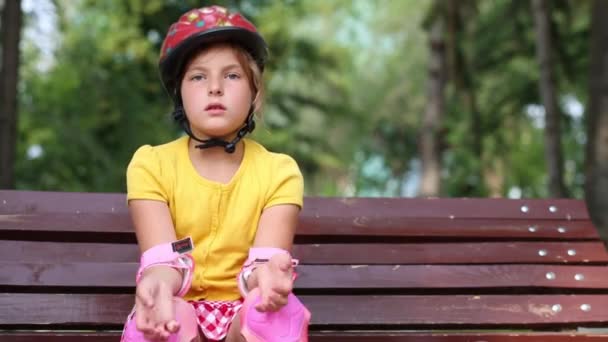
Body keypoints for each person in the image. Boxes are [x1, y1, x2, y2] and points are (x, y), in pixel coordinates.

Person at [120, 5, 310, 342]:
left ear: (254, 91)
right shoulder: (151, 165)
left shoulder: (279, 173)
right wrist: (156, 286)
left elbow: (259, 266)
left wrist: (268, 278)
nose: (215, 88)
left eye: (232, 75)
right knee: (162, 320)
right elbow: (166, 261)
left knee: (272, 315)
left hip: (242, 321)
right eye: (198, 76)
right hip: (180, 312)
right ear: (179, 92)